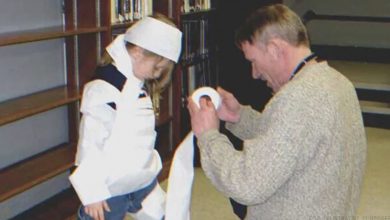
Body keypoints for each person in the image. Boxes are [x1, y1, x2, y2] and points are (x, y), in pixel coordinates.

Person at [187, 4, 367, 220]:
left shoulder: (296, 98)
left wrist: (208, 136)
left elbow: (247, 184)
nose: (254, 74)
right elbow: (291, 141)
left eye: (253, 61)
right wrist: (239, 117)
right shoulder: (337, 82)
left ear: (273, 48)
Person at [69, 14, 182, 220]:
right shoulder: (104, 89)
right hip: (111, 186)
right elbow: (90, 142)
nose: (157, 75)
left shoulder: (136, 82)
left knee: (163, 212)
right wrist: (92, 192)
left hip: (140, 176)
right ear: (138, 52)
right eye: (156, 67)